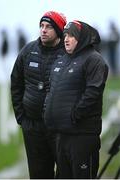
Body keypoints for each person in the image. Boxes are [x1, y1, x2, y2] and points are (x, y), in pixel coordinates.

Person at [44, 20, 109, 179]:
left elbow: (93, 92)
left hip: (82, 136)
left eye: (72, 35)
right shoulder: (62, 60)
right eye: (65, 34)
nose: (66, 39)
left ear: (83, 38)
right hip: (61, 136)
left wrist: (74, 115)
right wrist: (47, 111)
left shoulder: (94, 60)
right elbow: (50, 90)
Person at [10, 11, 66, 179]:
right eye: (41, 26)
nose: (43, 30)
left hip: (60, 129)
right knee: (39, 175)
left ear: (58, 30)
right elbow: (15, 83)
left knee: (65, 174)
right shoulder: (28, 50)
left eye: (49, 27)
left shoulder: (68, 53)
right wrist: (21, 118)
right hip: (33, 127)